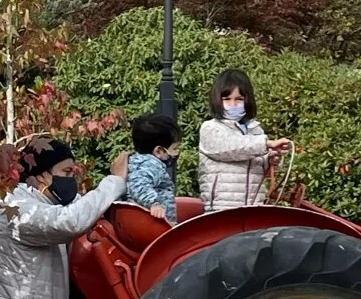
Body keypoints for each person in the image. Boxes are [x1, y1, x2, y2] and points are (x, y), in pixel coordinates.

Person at [0, 134, 127, 299]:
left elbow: (80, 208)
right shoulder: (15, 206)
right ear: (41, 175)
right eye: (66, 173)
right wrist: (115, 181)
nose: (71, 180)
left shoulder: (44, 205)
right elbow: (70, 220)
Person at [197, 69, 289, 210]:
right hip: (220, 208)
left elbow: (256, 161)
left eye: (239, 99)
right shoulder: (210, 128)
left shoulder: (255, 129)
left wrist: (271, 158)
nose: (233, 104)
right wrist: (267, 143)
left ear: (247, 100)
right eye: (227, 99)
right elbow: (233, 148)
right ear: (217, 100)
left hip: (253, 206)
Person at [124, 112, 180, 223]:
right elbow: (138, 184)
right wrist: (153, 203)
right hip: (155, 223)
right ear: (159, 151)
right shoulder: (152, 165)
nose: (177, 152)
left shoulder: (137, 162)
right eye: (175, 148)